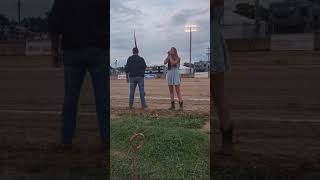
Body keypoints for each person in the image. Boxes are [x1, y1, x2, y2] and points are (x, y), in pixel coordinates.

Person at [48, 0, 109, 149]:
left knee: (70, 98)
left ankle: (66, 139)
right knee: (102, 98)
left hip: (72, 49)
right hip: (97, 49)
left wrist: (54, 52)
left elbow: (54, 26)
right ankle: (107, 139)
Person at [211, 0, 234, 156]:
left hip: (213, 47)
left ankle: (226, 142)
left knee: (219, 98)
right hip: (210, 46)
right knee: (217, 98)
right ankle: (225, 143)